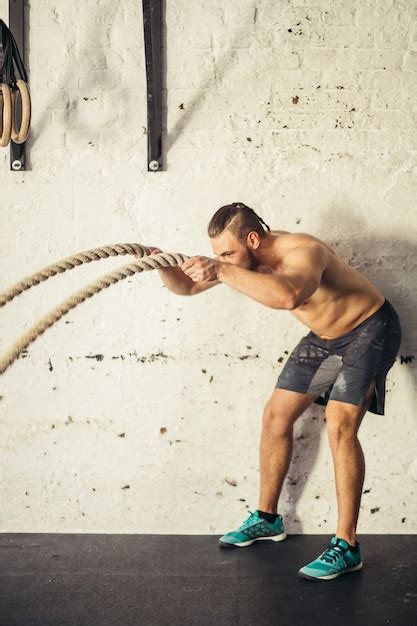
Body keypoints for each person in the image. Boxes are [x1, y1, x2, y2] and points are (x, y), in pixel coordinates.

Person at [140, 202, 402, 581]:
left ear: (252, 239)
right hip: (327, 341)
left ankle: (347, 546)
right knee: (276, 416)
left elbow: (289, 296)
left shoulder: (303, 251)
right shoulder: (238, 261)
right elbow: (186, 287)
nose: (223, 260)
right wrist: (161, 264)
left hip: (369, 331)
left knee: (339, 423)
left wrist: (223, 268)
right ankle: (267, 519)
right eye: (218, 254)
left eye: (228, 252)